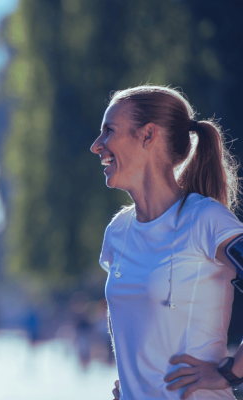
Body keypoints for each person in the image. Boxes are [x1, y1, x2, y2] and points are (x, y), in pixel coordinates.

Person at [90, 85, 243, 399]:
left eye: (109, 131)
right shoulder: (117, 232)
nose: (96, 145)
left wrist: (229, 373)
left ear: (147, 135)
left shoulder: (206, 221)